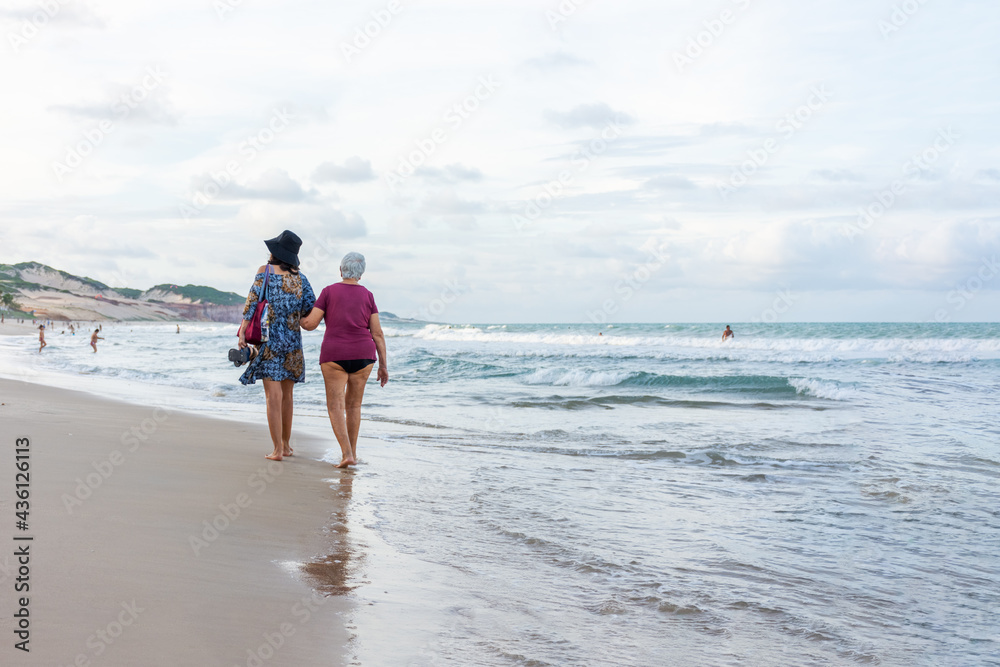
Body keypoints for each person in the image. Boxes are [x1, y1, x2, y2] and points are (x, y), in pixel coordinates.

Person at [301, 252, 388, 468]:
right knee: (354, 406)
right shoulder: (368, 295)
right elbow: (377, 333)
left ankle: (346, 453)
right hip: (364, 356)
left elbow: (311, 324)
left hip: (334, 355)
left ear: (341, 270)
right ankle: (353, 454)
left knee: (336, 406)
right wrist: (384, 366)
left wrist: (297, 318)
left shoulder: (329, 292)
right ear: (361, 274)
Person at [237, 230, 315, 461]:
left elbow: (252, 302)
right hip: (292, 342)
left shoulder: (265, 272)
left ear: (275, 252)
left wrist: (243, 330)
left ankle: (277, 450)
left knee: (273, 397)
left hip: (269, 341)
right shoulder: (301, 279)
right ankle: (287, 446)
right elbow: (310, 310)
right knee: (287, 397)